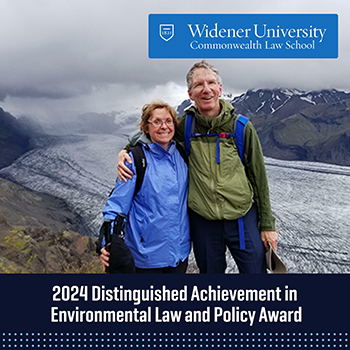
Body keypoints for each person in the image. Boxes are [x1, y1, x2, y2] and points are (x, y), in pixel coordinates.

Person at [117, 61, 278, 274]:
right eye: (199, 84)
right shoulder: (184, 126)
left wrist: (267, 224)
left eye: (211, 82)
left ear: (220, 89)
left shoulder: (240, 127)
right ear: (190, 93)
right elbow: (154, 133)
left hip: (241, 217)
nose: (206, 89)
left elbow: (259, 178)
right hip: (204, 222)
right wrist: (126, 150)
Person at [99, 101, 190, 274]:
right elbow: (116, 206)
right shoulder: (135, 160)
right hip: (146, 258)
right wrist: (108, 243)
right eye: (156, 122)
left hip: (179, 255)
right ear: (146, 128)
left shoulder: (182, 155)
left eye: (168, 121)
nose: (164, 126)